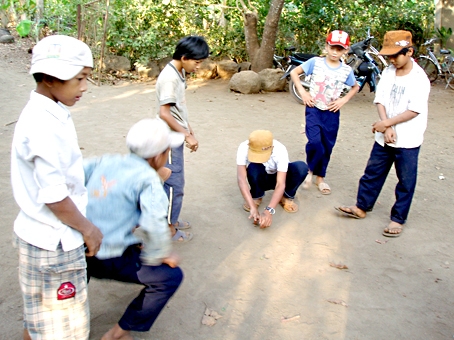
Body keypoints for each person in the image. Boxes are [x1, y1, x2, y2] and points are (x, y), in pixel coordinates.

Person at [10, 35, 103, 340]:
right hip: (56, 244)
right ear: (51, 79)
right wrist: (88, 229)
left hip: (37, 235)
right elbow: (53, 194)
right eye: (79, 79)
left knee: (38, 321)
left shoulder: (48, 111)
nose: (84, 87)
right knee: (64, 331)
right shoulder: (43, 124)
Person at [84, 118, 184, 340]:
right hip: (109, 255)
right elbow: (154, 224)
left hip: (81, 248)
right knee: (169, 277)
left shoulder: (105, 161)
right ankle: (118, 333)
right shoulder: (149, 180)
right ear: (159, 156)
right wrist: (161, 254)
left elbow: (73, 178)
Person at [335, 30, 430, 237]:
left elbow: (414, 110)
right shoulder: (388, 72)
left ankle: (398, 218)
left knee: (406, 180)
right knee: (373, 172)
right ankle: (361, 207)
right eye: (389, 56)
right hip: (384, 135)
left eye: (396, 55)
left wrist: (387, 123)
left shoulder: (419, 78)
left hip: (408, 138)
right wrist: (386, 127)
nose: (392, 60)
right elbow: (380, 100)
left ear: (410, 52)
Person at [290, 30, 359, 195]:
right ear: (327, 46)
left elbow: (355, 86)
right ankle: (310, 169)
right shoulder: (315, 62)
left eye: (340, 49)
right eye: (332, 47)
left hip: (332, 113)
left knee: (328, 145)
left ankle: (320, 177)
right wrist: (303, 92)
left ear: (346, 50)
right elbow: (294, 72)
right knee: (315, 143)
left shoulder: (346, 71)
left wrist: (343, 100)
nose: (335, 52)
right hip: (314, 109)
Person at [156, 35, 210, 242]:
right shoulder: (169, 77)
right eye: (197, 62)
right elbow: (164, 113)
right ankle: (168, 228)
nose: (199, 67)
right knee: (174, 183)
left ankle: (171, 219)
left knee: (174, 182)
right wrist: (186, 135)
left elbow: (179, 109)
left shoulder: (179, 72)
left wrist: (190, 130)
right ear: (184, 57)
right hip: (168, 138)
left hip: (176, 134)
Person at [237, 130, 308, 229]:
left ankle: (286, 196)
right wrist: (252, 207)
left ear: (272, 148)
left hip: (279, 177)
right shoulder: (243, 147)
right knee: (253, 167)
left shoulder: (280, 150)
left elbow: (280, 184)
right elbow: (241, 179)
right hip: (261, 177)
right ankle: (256, 196)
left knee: (301, 167)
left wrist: (269, 211)